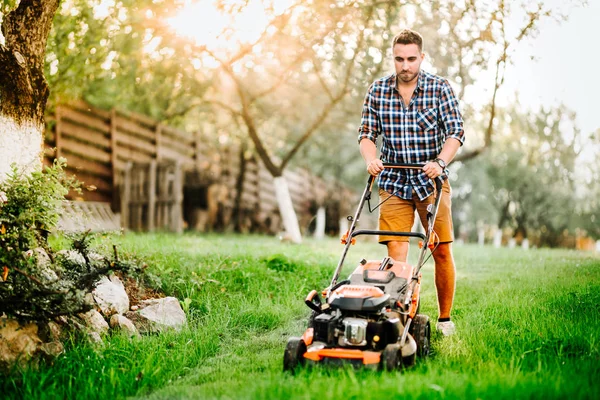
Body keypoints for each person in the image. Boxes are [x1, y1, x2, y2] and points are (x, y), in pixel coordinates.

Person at [357, 29, 465, 336]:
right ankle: (397, 317)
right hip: (393, 179)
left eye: (411, 59)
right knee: (397, 255)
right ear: (393, 57)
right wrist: (371, 158)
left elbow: (456, 133)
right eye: (399, 59)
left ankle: (445, 319)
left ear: (422, 57)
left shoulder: (439, 88)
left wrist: (440, 162)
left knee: (440, 249)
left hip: (430, 181)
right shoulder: (378, 90)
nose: (405, 66)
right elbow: (366, 134)